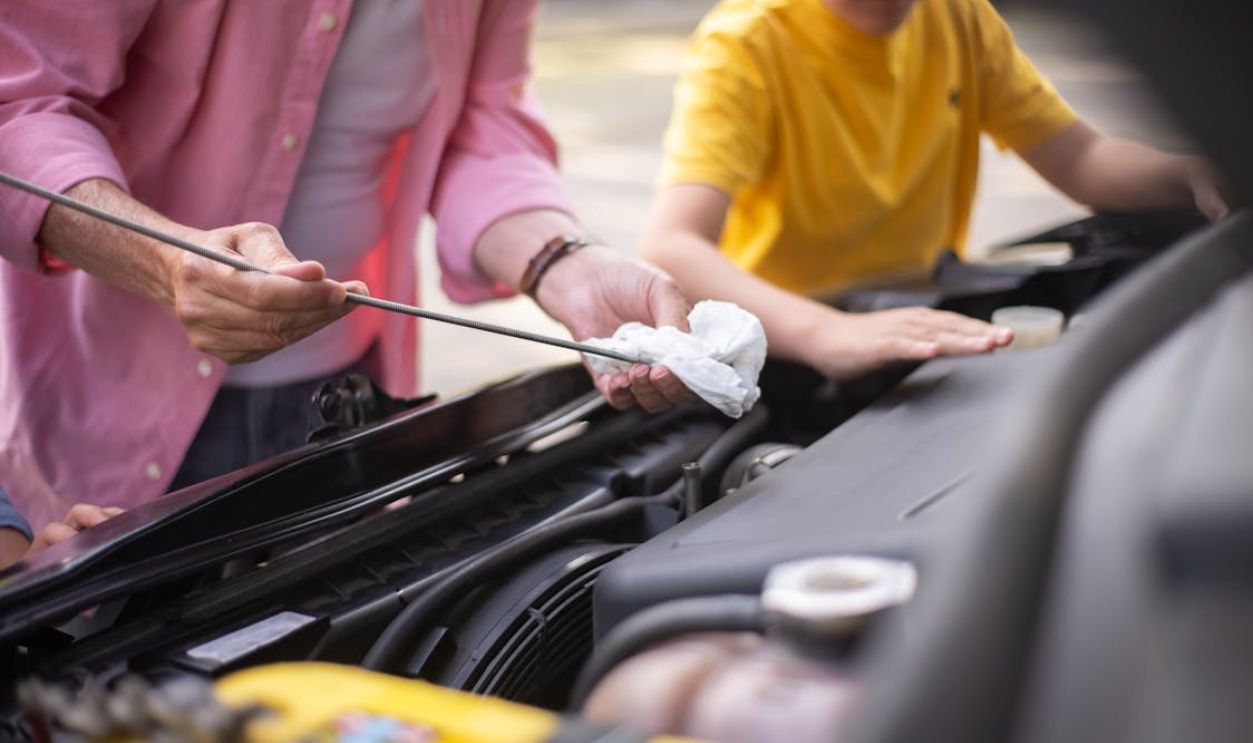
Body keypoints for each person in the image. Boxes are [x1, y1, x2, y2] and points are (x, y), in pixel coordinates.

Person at [0, 0, 697, 542]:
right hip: (111, 401)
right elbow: (19, 105)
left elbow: (483, 123)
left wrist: (565, 264)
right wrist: (163, 260)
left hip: (347, 391)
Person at [638, 0, 1231, 381]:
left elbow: (1080, 157)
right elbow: (672, 245)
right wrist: (827, 333)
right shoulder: (746, 43)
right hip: (793, 345)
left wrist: (1194, 172)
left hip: (922, 321)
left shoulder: (959, 16)